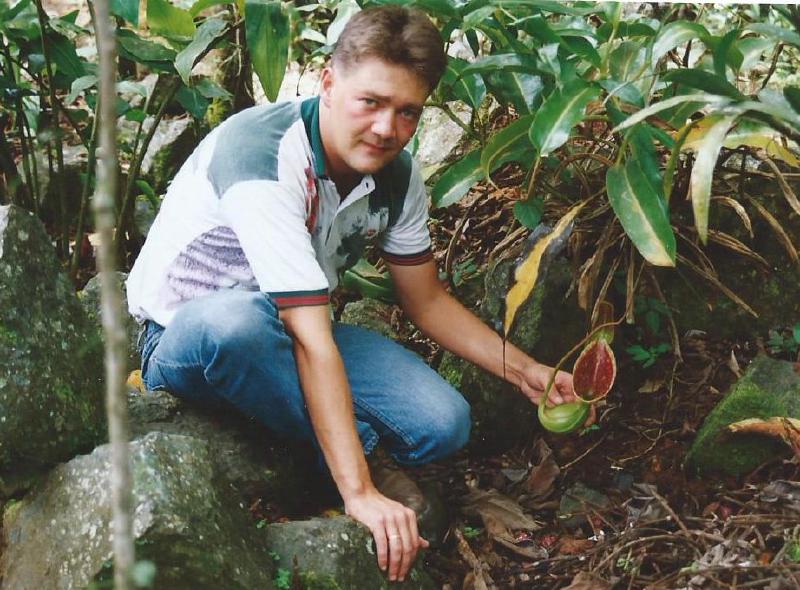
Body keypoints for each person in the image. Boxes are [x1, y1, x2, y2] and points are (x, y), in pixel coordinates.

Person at [127, 5, 581, 582]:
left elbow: (427, 300)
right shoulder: (265, 155)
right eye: (371, 101)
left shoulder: (397, 173)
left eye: (407, 111)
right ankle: (359, 461)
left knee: (444, 422)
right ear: (328, 83)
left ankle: (318, 449)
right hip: (187, 337)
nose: (387, 128)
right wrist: (360, 488)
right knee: (235, 326)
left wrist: (523, 369)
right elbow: (311, 340)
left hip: (295, 326)